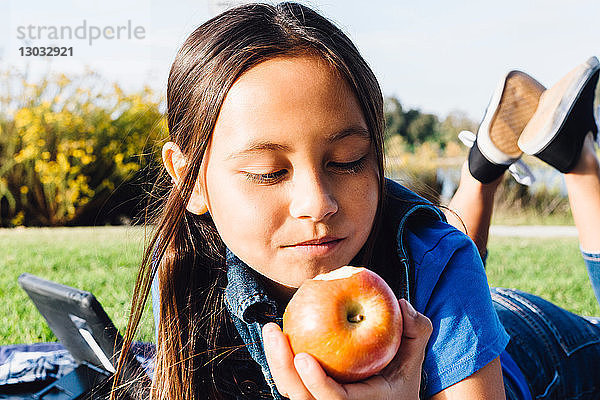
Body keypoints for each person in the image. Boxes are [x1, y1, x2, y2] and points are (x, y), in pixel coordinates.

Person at [110, 3, 600, 399]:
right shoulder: (186, 267)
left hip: (544, 348)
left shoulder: (436, 255)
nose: (316, 203)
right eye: (269, 172)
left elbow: (440, 254)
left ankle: (577, 159)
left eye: (347, 161)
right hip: (467, 306)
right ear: (191, 179)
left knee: (439, 250)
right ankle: (484, 166)